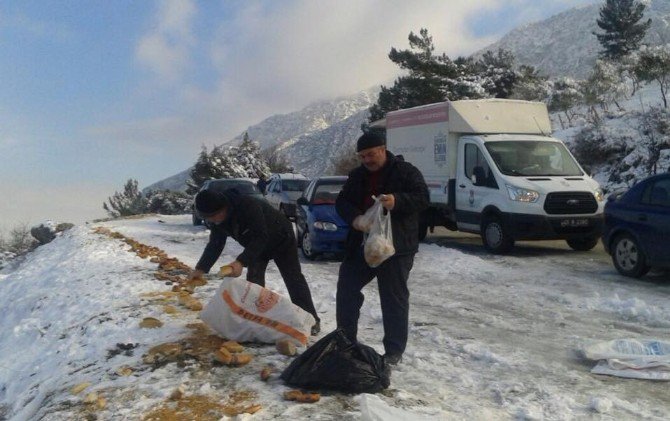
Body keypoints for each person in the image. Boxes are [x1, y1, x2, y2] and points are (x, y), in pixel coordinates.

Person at [335, 131, 429, 365]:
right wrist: (356, 219)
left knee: (393, 297)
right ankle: (345, 341)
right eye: (362, 156)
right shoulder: (357, 176)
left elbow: (422, 198)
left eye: (371, 154)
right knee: (346, 289)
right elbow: (342, 202)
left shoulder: (406, 172)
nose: (367, 160)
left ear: (383, 149)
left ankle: (394, 351)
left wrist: (397, 201)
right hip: (363, 245)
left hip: (395, 248)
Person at [188, 188, 321, 335]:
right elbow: (215, 244)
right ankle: (256, 321)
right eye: (208, 218)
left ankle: (311, 320)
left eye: (214, 216)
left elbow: (260, 237)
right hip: (255, 245)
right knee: (253, 283)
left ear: (224, 207)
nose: (212, 220)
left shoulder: (248, 205)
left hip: (281, 238)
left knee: (293, 278)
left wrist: (240, 262)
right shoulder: (218, 219)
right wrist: (201, 268)